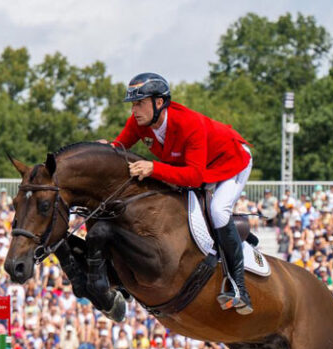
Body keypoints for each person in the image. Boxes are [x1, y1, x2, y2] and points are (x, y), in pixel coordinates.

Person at [109, 72, 254, 314]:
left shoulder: (189, 123)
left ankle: (239, 287)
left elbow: (194, 177)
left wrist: (154, 168)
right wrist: (102, 150)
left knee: (218, 211)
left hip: (231, 160)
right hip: (199, 166)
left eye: (140, 103)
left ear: (159, 103)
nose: (135, 110)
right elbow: (118, 147)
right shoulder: (139, 123)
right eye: (133, 104)